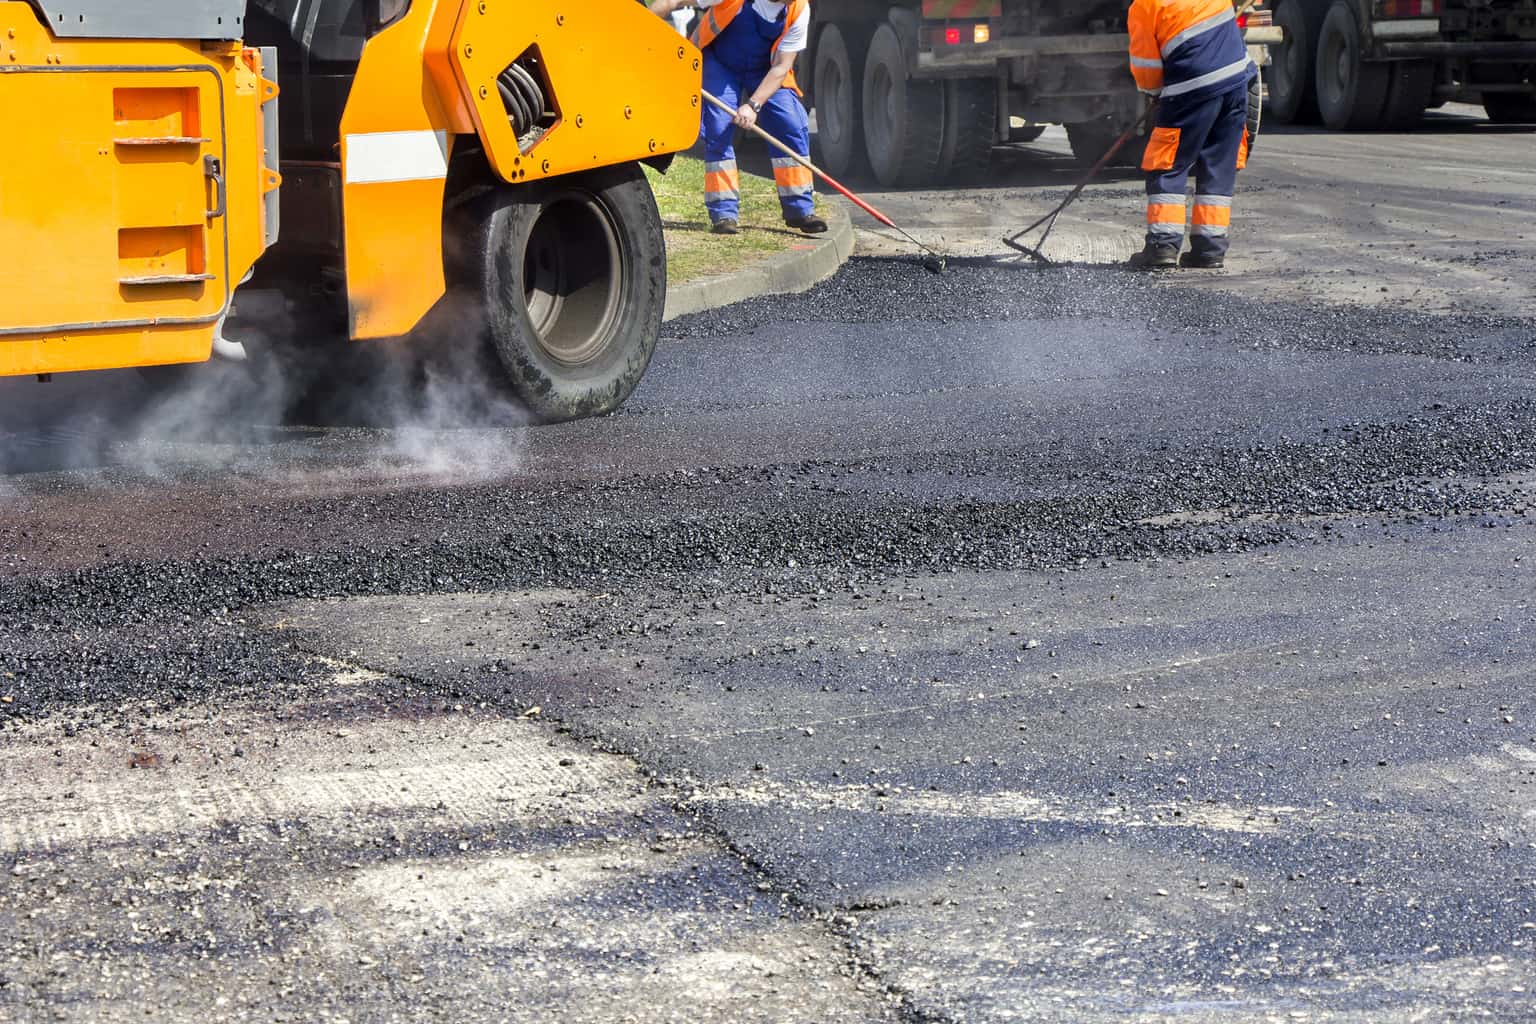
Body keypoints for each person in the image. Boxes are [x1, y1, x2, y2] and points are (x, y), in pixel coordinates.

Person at [648, 0, 827, 236]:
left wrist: (753, 105)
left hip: (766, 70)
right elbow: (675, 1)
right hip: (721, 64)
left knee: (790, 122)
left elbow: (781, 67)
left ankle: (800, 210)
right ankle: (724, 214)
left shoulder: (799, 9)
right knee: (719, 127)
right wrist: (642, 25)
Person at [1126, 0, 1256, 269]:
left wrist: (1153, 93)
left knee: (1168, 162)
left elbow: (1147, 70)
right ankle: (1209, 250)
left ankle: (1163, 246)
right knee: (1218, 165)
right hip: (1237, 81)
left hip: (1191, 87)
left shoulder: (1145, 6)